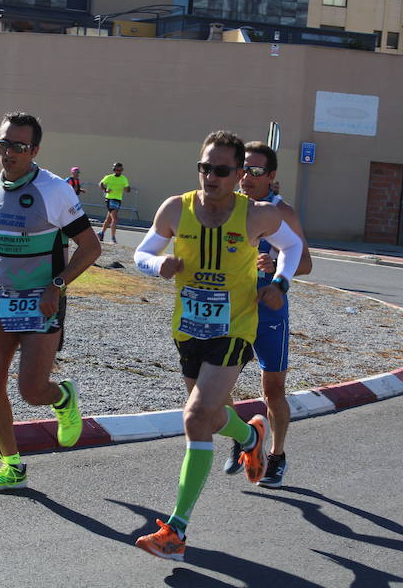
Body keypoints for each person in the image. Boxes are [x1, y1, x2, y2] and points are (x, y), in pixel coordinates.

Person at [132, 130, 303, 560]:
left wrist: (279, 282)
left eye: (221, 170)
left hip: (235, 327)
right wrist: (159, 264)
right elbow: (141, 252)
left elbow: (294, 246)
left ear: (239, 174)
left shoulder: (257, 215)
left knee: (194, 417)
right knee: (208, 416)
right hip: (189, 327)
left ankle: (176, 530)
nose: (210, 176)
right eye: (204, 167)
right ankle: (250, 434)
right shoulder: (176, 207)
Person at [0, 111, 101, 493]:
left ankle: (63, 396)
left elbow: (91, 247)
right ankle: (12, 467)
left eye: (19, 146)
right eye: (4, 143)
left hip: (42, 297)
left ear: (35, 150)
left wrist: (58, 285)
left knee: (31, 391)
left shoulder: (55, 189)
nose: (9, 152)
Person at [222, 140, 312, 489]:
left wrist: (277, 268)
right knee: (219, 383)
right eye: (242, 169)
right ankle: (242, 438)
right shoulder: (230, 207)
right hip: (233, 309)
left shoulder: (281, 211)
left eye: (256, 171)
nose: (247, 177)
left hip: (269, 309)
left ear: (271, 175)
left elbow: (305, 262)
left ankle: (277, 456)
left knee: (273, 387)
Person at [97, 162, 130, 244]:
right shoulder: (109, 177)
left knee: (108, 219)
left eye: (120, 170)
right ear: (114, 170)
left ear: (122, 170)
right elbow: (100, 184)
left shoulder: (124, 178)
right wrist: (105, 190)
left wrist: (127, 189)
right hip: (110, 199)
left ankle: (101, 233)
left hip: (118, 200)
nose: (118, 171)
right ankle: (113, 238)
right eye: (116, 170)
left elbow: (128, 189)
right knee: (115, 219)